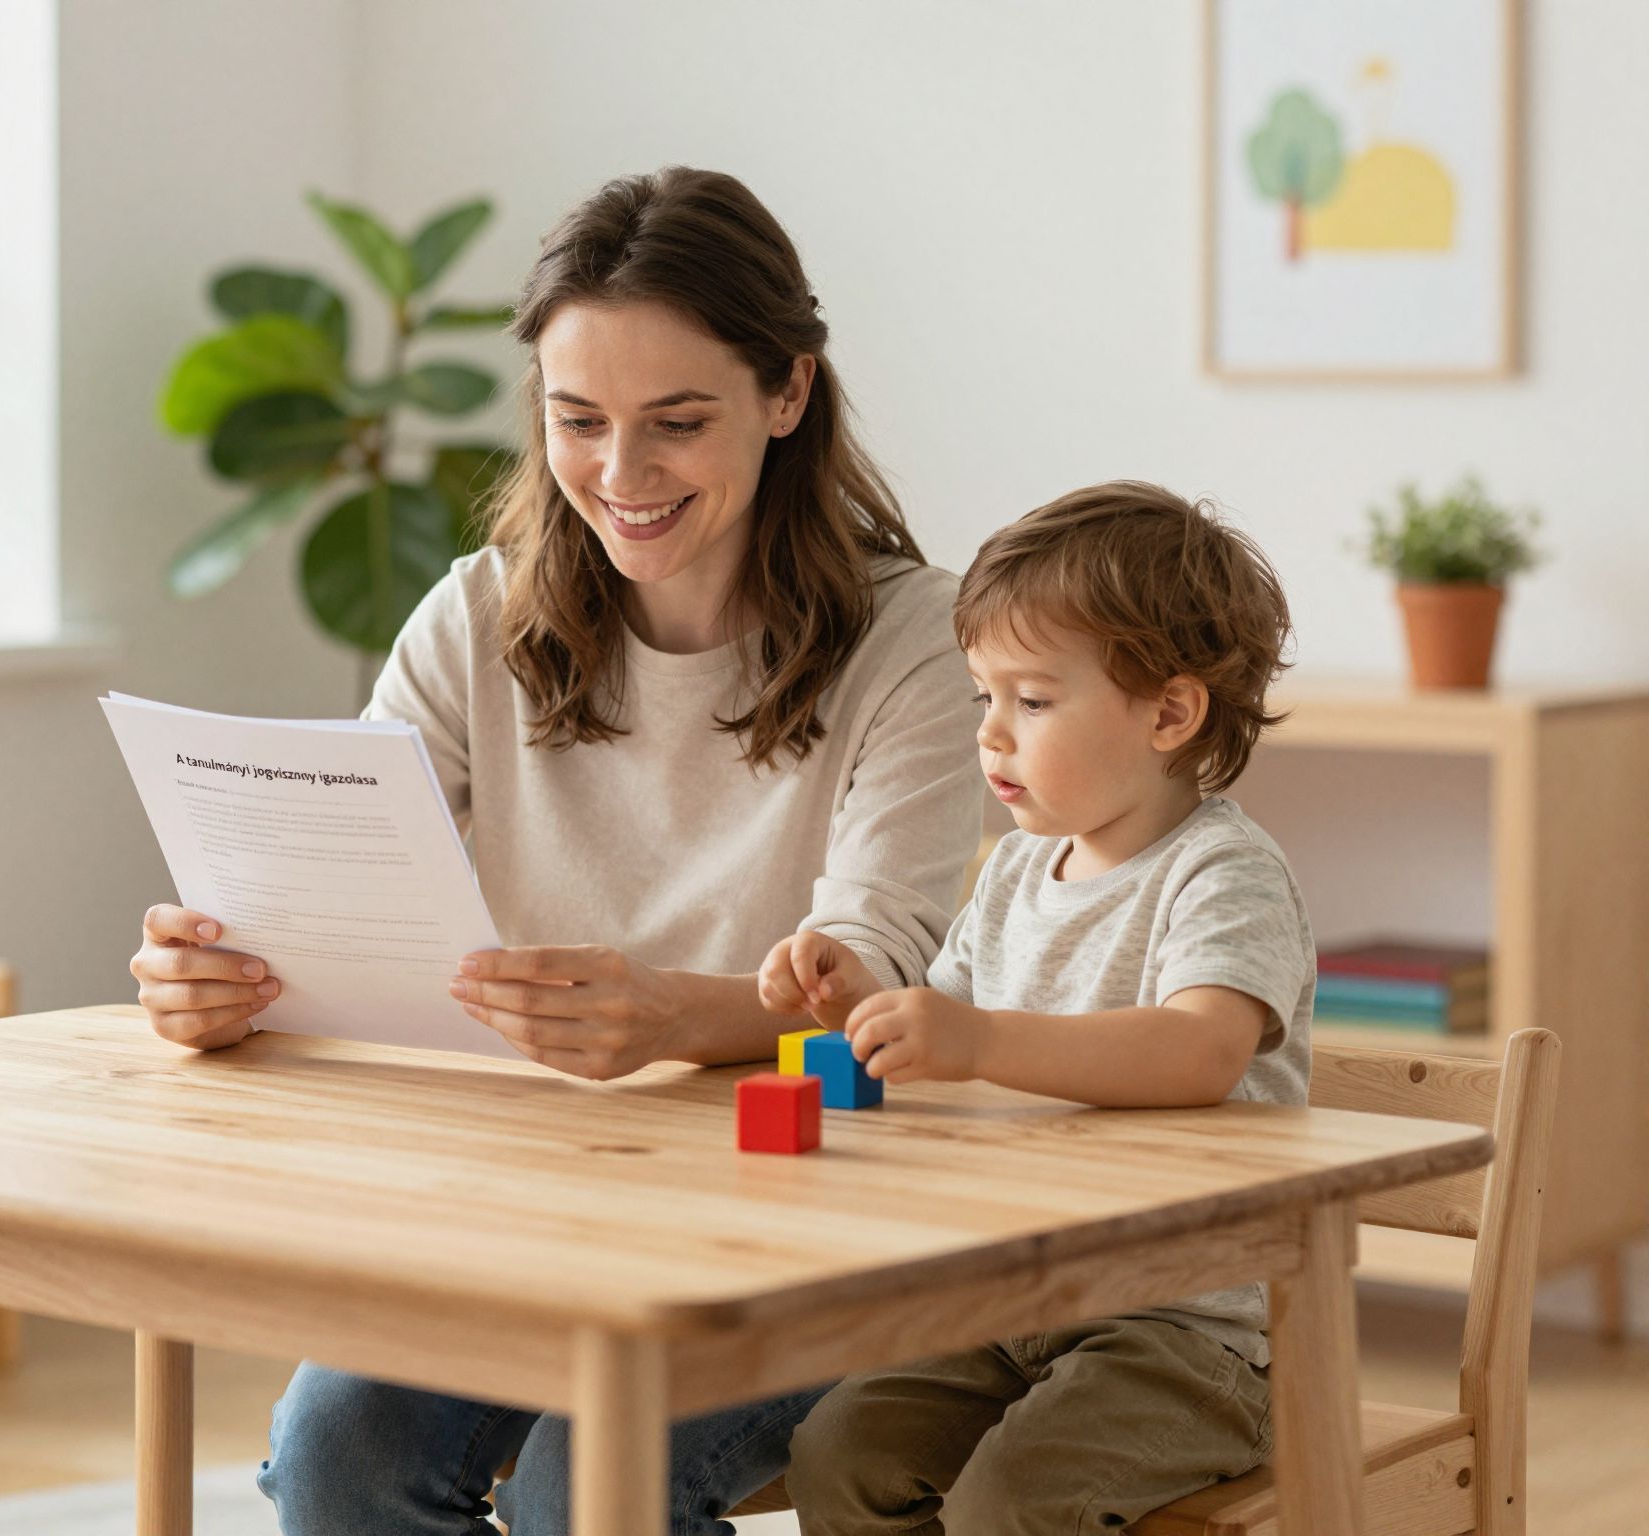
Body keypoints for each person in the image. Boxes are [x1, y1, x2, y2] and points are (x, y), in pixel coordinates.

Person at [129, 167, 983, 1533]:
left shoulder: (919, 643)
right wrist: (225, 973)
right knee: (336, 1452)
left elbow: (869, 973)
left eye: (677, 423)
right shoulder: (475, 617)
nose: (621, 476)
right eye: (577, 421)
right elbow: (341, 877)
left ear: (788, 395)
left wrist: (673, 1017)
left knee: (596, 1482)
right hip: (522, 1209)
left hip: (808, 1223)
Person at [762, 480, 1314, 1534]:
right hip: (1011, 1308)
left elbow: (1198, 1052)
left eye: (1030, 700)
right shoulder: (1015, 872)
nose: (991, 736)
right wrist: (855, 1004)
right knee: (836, 1459)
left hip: (1185, 1334)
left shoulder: (1223, 875)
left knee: (1008, 1507)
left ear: (1167, 711)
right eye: (982, 698)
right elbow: (937, 1029)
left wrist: (968, 1040)